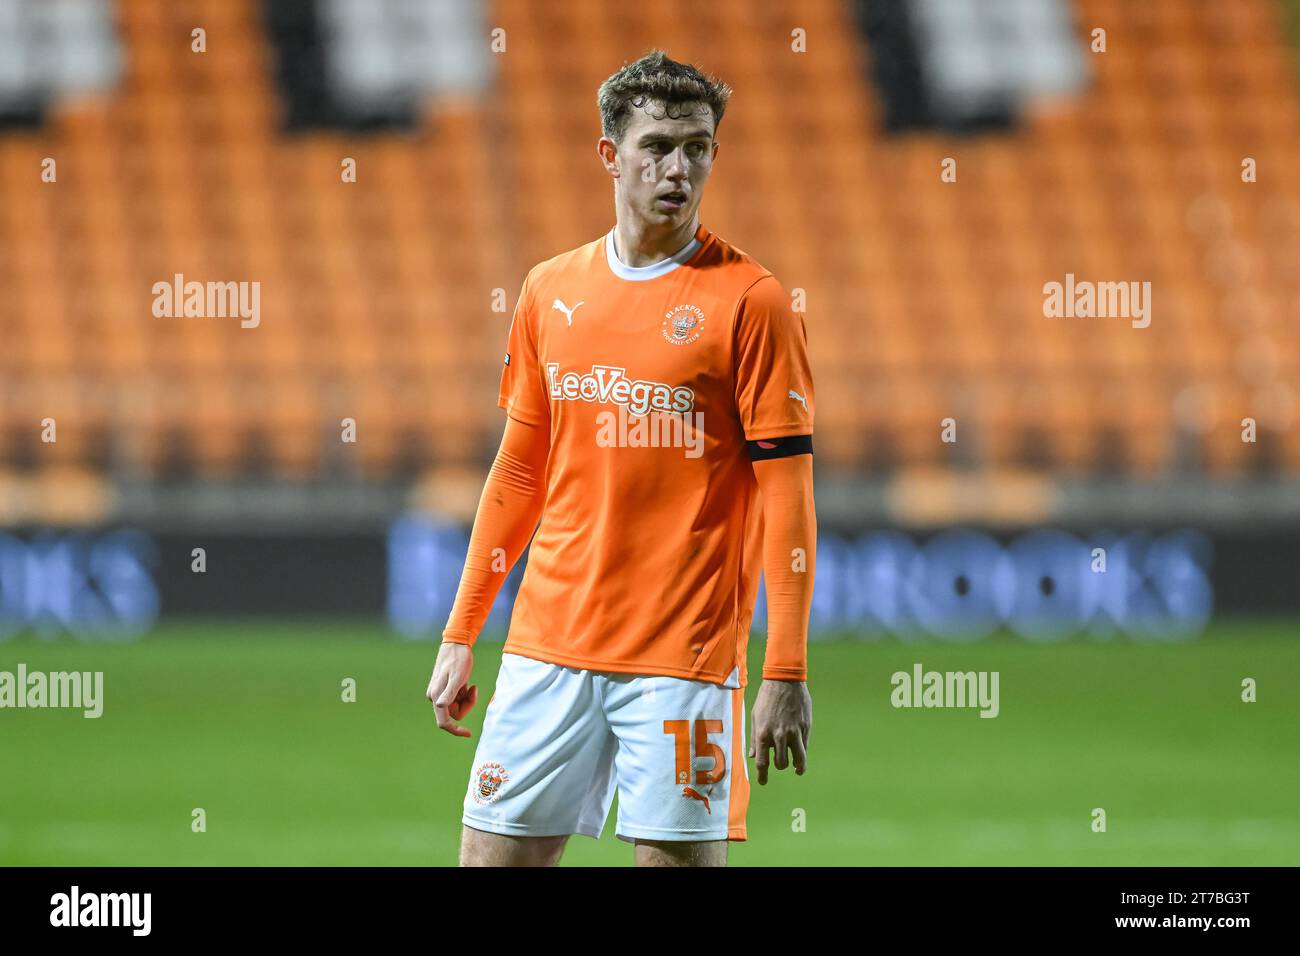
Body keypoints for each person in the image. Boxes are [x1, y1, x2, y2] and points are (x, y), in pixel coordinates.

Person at [426, 49, 816, 867]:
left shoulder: (752, 302)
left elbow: (788, 495)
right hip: (546, 647)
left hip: (683, 660)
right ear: (611, 154)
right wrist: (464, 629)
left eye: (699, 147)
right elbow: (520, 473)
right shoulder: (549, 290)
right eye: (658, 146)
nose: (679, 168)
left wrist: (784, 666)